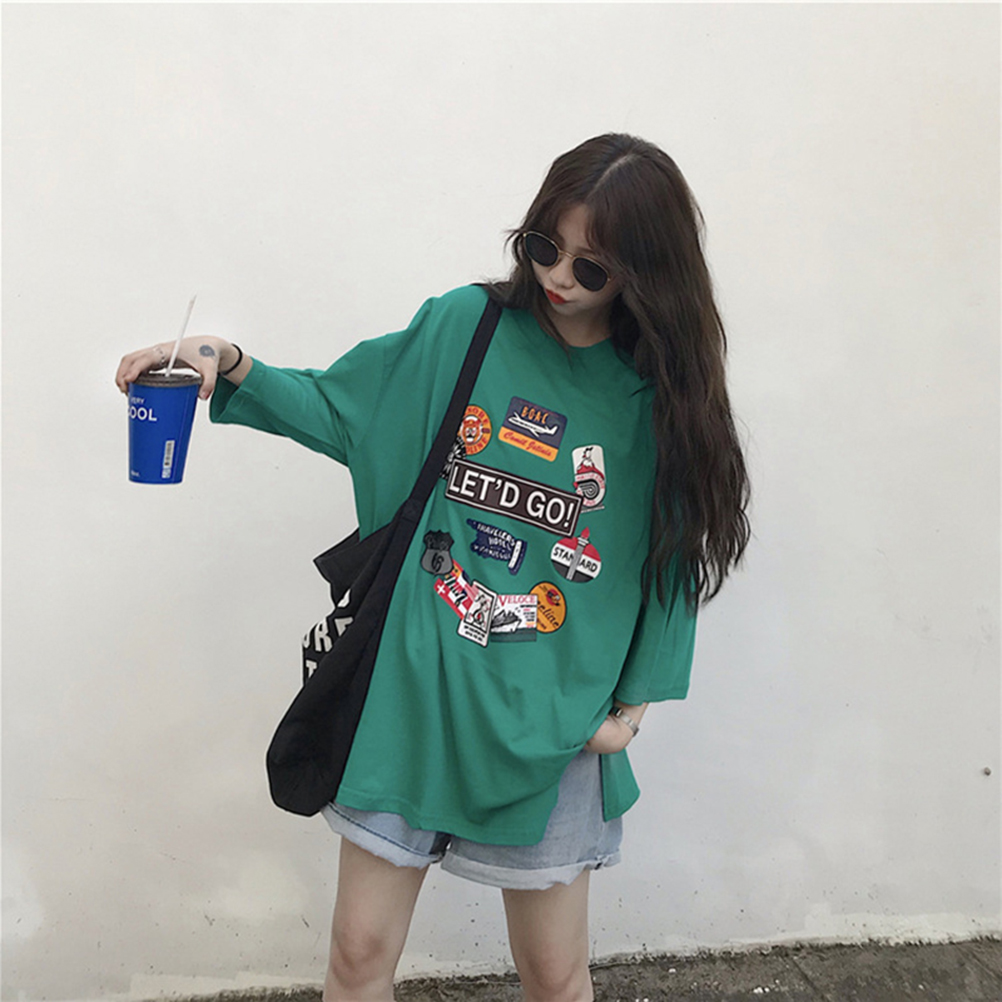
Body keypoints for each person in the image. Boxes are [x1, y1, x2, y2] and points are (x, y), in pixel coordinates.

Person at [116, 133, 750, 1002]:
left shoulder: (658, 398)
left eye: (591, 266)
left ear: (645, 273)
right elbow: (345, 407)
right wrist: (228, 363)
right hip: (414, 686)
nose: (559, 277)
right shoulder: (467, 327)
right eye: (544, 246)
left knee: (555, 977)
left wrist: (628, 715)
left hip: (550, 715)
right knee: (357, 957)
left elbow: (675, 555)